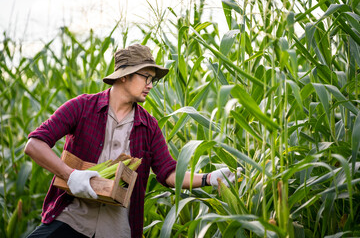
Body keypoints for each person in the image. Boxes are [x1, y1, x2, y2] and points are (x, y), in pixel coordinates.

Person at [24, 44, 240, 238]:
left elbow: (169, 173)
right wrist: (70, 176)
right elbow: (35, 144)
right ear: (124, 76)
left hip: (117, 231)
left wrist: (209, 178)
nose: (150, 85)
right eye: (146, 77)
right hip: (72, 221)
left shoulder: (149, 126)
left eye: (153, 79)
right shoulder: (82, 108)